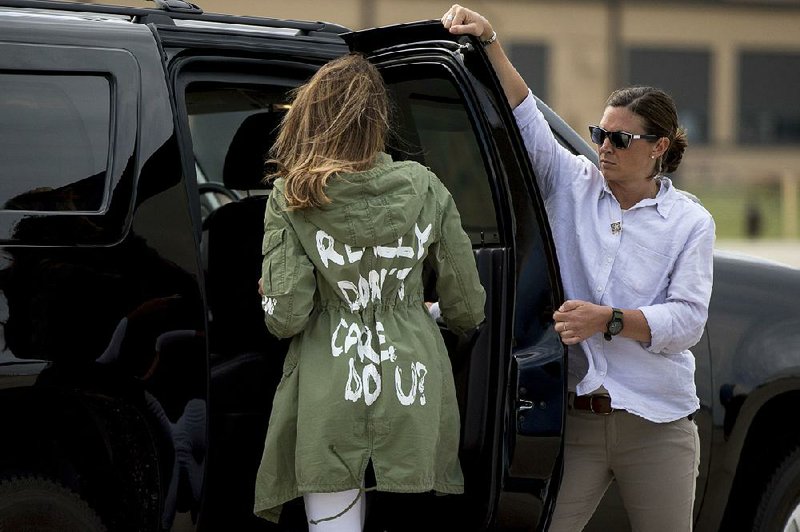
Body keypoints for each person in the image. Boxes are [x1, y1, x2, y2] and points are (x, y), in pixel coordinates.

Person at [441, 5, 714, 532]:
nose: (603, 148)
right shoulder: (573, 183)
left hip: (657, 422)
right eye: (599, 133)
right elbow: (524, 114)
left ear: (658, 148)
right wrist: (490, 41)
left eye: (620, 139)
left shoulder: (691, 222)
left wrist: (607, 319)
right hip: (578, 422)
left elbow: (686, 323)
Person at [252, 53, 486, 531]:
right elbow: (468, 309)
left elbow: (287, 317)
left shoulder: (292, 197)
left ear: (311, 117)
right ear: (378, 119)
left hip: (330, 387)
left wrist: (268, 292)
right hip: (414, 387)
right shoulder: (427, 188)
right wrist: (427, 311)